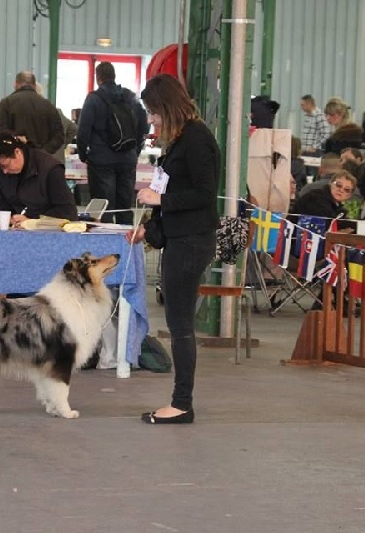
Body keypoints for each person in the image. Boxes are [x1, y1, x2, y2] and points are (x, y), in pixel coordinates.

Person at [125, 74, 220, 425]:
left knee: (180, 326)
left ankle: (182, 404)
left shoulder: (197, 140)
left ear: (168, 107)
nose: (151, 120)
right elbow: (172, 204)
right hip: (180, 238)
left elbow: (204, 196)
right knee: (177, 322)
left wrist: (158, 197)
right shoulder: (179, 142)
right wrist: (147, 231)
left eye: (153, 112)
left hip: (193, 241)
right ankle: (181, 401)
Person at [76, 61, 148, 224]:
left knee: (103, 208)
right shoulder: (130, 97)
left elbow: (83, 130)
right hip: (127, 159)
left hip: (101, 161)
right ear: (114, 76)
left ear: (98, 78)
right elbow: (144, 125)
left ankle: (103, 247)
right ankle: (125, 245)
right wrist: (135, 150)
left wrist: (83, 154)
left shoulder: (93, 99)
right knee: (124, 207)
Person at [0, 131, 77, 224]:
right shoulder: (2, 170)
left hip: (48, 231)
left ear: (17, 152)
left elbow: (67, 212)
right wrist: (9, 219)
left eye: (6, 165)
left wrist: (33, 221)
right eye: (0, 168)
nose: (5, 171)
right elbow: (3, 204)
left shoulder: (50, 169)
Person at [0, 71, 64, 156]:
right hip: (41, 162)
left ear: (16, 84)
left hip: (14, 160)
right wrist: (43, 152)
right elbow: (59, 136)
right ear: (34, 85)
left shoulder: (6, 103)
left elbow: (2, 134)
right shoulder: (49, 106)